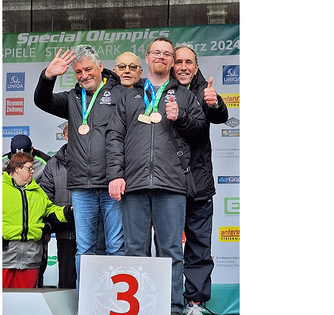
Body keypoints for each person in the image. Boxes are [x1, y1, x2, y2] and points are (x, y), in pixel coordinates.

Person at [106, 37, 208, 315]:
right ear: (147, 58)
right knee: (135, 252)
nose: (161, 57)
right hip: (134, 184)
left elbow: (200, 132)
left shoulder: (185, 96)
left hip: (172, 184)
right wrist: (115, 174)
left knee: (171, 252)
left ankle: (172, 309)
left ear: (172, 62)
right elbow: (114, 136)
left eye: (167, 54)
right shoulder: (128, 96)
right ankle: (137, 309)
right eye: (156, 53)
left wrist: (182, 117)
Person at [33, 44, 125, 287]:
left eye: (88, 69)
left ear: (101, 67)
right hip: (81, 187)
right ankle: (87, 302)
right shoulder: (73, 98)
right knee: (84, 247)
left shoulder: (119, 94)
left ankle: (115, 302)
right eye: (78, 72)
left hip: (110, 185)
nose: (84, 75)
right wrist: (48, 76)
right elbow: (42, 101)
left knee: (115, 245)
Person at [172, 43, 229, 315]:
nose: (183, 67)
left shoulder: (204, 88)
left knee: (198, 246)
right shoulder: (159, 88)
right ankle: (169, 302)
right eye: (178, 61)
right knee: (167, 246)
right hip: (167, 182)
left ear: (196, 65)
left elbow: (220, 115)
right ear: (172, 64)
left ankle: (195, 303)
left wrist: (215, 102)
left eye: (188, 62)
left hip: (199, 182)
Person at [2, 152, 74, 289]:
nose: (33, 171)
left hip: (30, 258)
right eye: (29, 168)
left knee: (27, 304)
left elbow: (50, 210)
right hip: (4, 258)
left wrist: (68, 211)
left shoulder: (37, 191)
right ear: (17, 168)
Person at [39, 123, 77, 288]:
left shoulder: (96, 158)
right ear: (67, 136)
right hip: (66, 232)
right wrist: (50, 225)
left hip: (93, 231)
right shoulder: (53, 164)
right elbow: (46, 198)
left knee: (93, 282)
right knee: (67, 283)